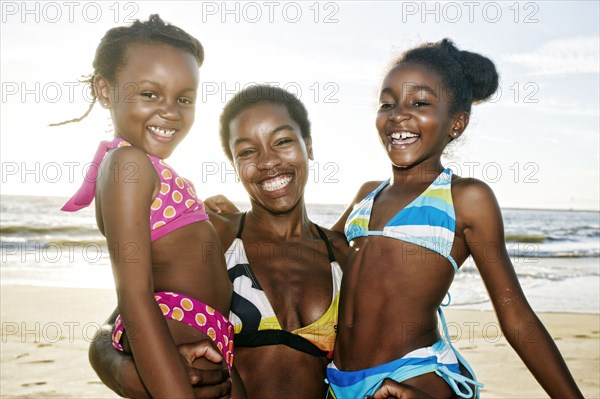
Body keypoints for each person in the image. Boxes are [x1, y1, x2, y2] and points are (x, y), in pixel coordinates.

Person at [325, 39, 583, 399]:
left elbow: (516, 316)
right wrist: (232, 220)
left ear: (456, 124)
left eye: (420, 103)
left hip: (413, 371)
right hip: (338, 378)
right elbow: (317, 247)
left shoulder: (466, 197)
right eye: (387, 103)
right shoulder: (367, 194)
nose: (398, 114)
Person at [89, 85, 351, 398]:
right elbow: (116, 327)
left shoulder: (341, 253)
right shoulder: (215, 235)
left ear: (308, 146)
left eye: (282, 141)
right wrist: (131, 376)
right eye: (247, 151)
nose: (267, 161)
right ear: (234, 164)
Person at [56, 15, 244, 398]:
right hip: (174, 333)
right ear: (105, 91)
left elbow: (171, 255)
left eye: (184, 99)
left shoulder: (147, 169)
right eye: (150, 94)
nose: (171, 111)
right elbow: (134, 295)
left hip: (213, 336)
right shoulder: (128, 164)